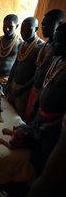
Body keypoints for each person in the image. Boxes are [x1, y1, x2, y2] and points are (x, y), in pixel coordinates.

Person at [30, 22, 66, 176]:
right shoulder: (57, 60)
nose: (53, 43)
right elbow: (46, 84)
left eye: (58, 41)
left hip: (52, 123)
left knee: (43, 158)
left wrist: (54, 125)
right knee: (32, 152)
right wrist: (36, 104)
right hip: (40, 115)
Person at [24, 9, 65, 122]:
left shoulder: (56, 53)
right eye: (43, 25)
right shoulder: (45, 46)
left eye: (48, 25)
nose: (44, 28)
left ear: (59, 24)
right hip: (35, 93)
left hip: (49, 111)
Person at [6, 17, 44, 119]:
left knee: (18, 117)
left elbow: (37, 74)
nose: (24, 32)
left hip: (25, 89)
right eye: (22, 29)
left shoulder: (41, 47)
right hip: (14, 84)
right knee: (7, 112)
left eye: (28, 30)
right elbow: (15, 65)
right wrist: (9, 83)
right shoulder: (22, 44)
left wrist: (22, 89)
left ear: (36, 29)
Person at [0, 14, 22, 87]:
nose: (7, 29)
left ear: (17, 26)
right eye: (4, 26)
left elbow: (18, 64)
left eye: (10, 27)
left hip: (7, 78)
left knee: (4, 98)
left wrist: (12, 80)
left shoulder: (20, 43)